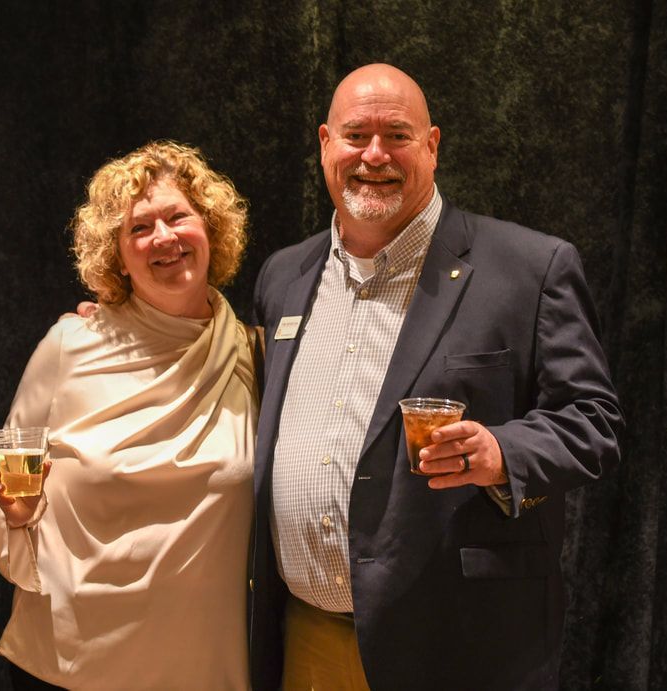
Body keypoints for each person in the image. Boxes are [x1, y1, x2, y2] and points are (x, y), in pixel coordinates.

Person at [248, 64, 623, 690]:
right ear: (324, 143)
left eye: (397, 135)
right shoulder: (283, 275)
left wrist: (502, 452)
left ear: (432, 145)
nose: (374, 155)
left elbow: (594, 422)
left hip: (456, 646)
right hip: (304, 640)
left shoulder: (530, 268)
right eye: (355, 135)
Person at [0, 141, 259, 690]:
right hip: (69, 665)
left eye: (178, 217)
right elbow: (3, 471)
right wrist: (16, 514)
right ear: (116, 256)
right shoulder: (70, 345)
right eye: (139, 228)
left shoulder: (252, 354)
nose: (164, 238)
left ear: (211, 228)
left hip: (203, 666)